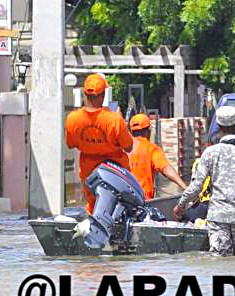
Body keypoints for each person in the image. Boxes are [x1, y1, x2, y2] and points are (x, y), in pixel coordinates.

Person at [174, 106, 235, 256]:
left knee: (219, 261)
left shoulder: (210, 153)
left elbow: (196, 186)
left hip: (218, 217)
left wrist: (181, 205)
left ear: (219, 127)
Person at [65, 74, 133, 214]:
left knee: (94, 208)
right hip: (115, 170)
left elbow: (70, 144)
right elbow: (128, 147)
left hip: (89, 171)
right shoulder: (114, 120)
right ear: (102, 96)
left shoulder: (73, 119)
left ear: (84, 94)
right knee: (119, 209)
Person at [127, 113, 187, 199]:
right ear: (147, 131)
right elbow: (165, 168)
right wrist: (184, 186)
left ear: (131, 131)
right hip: (142, 201)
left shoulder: (122, 148)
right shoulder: (151, 149)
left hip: (123, 201)